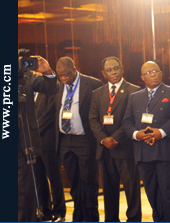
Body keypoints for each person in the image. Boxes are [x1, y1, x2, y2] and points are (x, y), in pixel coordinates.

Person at [123, 61, 170, 222]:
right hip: (144, 153)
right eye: (148, 73)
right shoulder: (135, 97)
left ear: (161, 73)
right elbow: (127, 122)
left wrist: (160, 133)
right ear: (142, 77)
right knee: (153, 194)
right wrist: (137, 134)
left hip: (166, 152)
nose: (152, 74)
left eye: (155, 71)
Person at [89, 56, 142, 222]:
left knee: (131, 189)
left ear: (122, 68)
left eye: (116, 68)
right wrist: (103, 139)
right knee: (109, 189)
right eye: (109, 70)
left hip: (125, 148)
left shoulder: (134, 90)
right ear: (103, 73)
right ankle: (111, 219)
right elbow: (93, 119)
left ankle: (133, 219)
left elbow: (132, 119)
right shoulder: (97, 93)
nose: (114, 73)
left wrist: (115, 138)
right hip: (105, 149)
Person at [55, 56, 103, 222]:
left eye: (66, 75)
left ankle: (91, 218)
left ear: (74, 69)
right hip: (65, 141)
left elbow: (99, 114)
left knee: (89, 183)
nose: (63, 79)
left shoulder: (93, 84)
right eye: (60, 76)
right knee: (74, 183)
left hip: (85, 140)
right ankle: (78, 216)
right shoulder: (58, 86)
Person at [18, 55, 58, 222]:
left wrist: (47, 72)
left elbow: (50, 88)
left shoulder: (26, 75)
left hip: (25, 139)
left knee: (25, 188)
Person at [34, 86, 66, 222]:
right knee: (39, 179)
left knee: (54, 178)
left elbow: (50, 113)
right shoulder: (26, 93)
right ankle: (45, 211)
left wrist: (33, 130)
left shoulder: (48, 89)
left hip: (47, 141)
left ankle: (59, 212)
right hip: (33, 145)